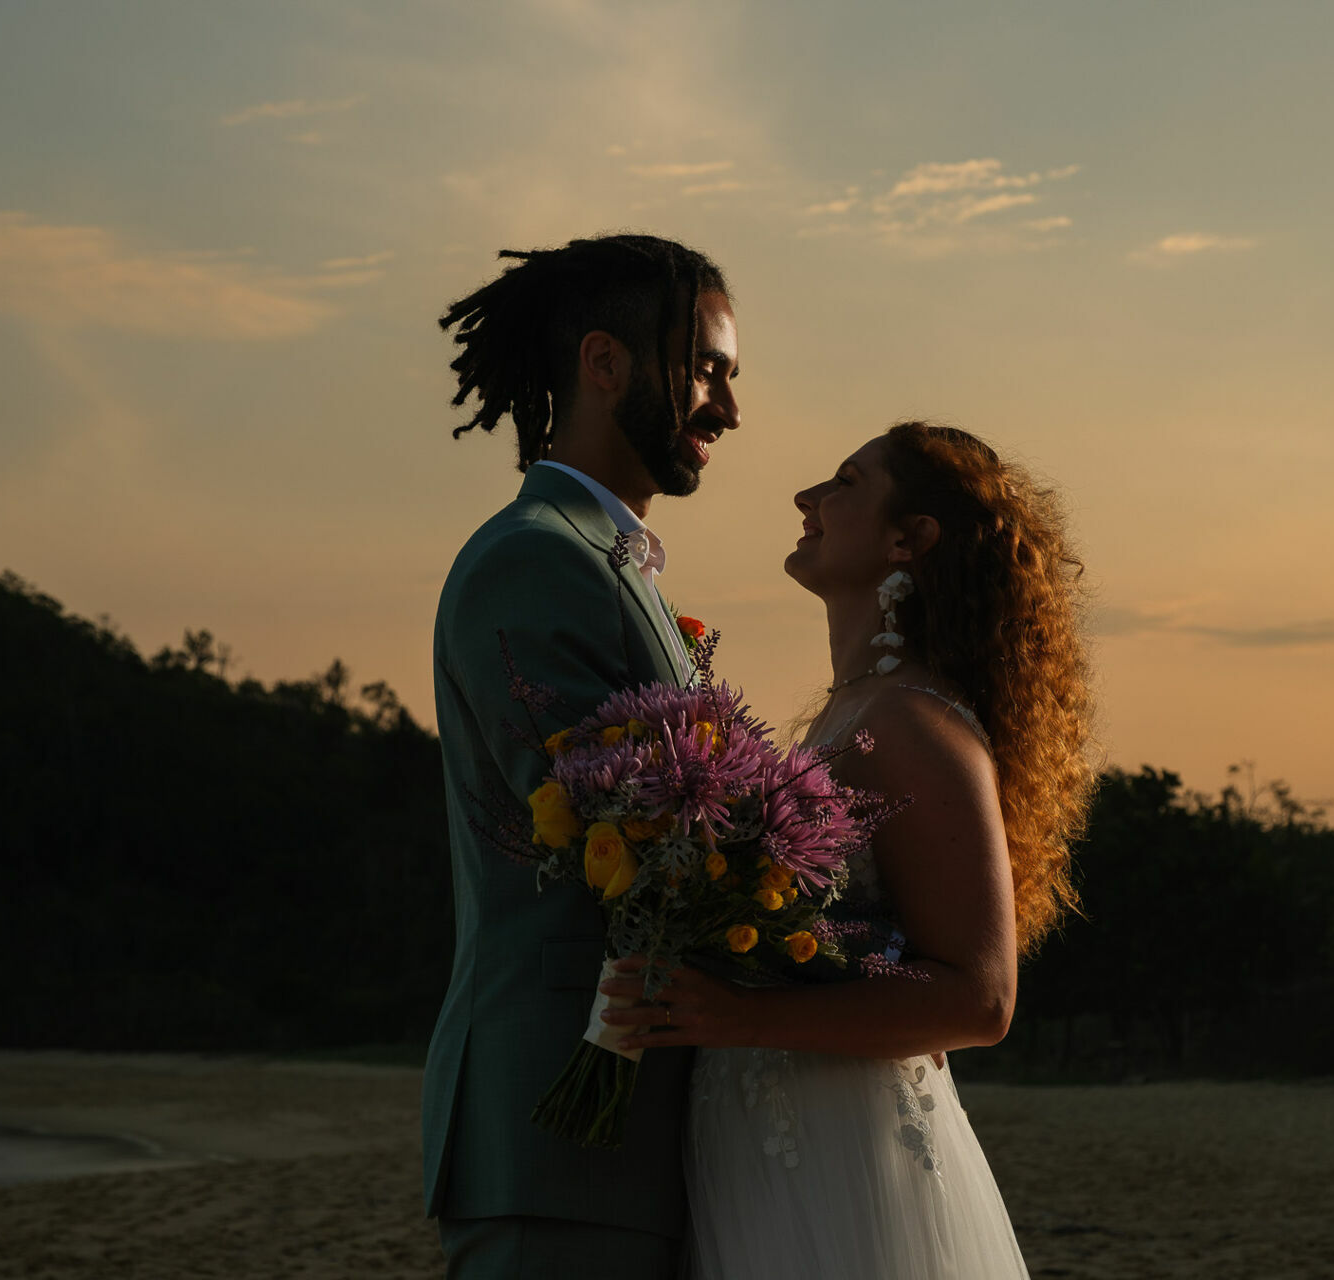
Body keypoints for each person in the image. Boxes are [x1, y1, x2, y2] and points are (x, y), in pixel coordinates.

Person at [595, 422, 1097, 1278]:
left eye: (844, 483)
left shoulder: (913, 725)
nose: (808, 499)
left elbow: (981, 999)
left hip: (844, 1156)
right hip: (763, 1136)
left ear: (910, 539)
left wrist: (742, 1015)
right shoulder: (854, 715)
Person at [424, 232, 742, 1278]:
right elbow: (623, 840)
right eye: (704, 369)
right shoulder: (537, 559)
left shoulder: (614, 566)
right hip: (561, 1131)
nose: (726, 408)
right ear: (603, 363)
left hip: (621, 1145)